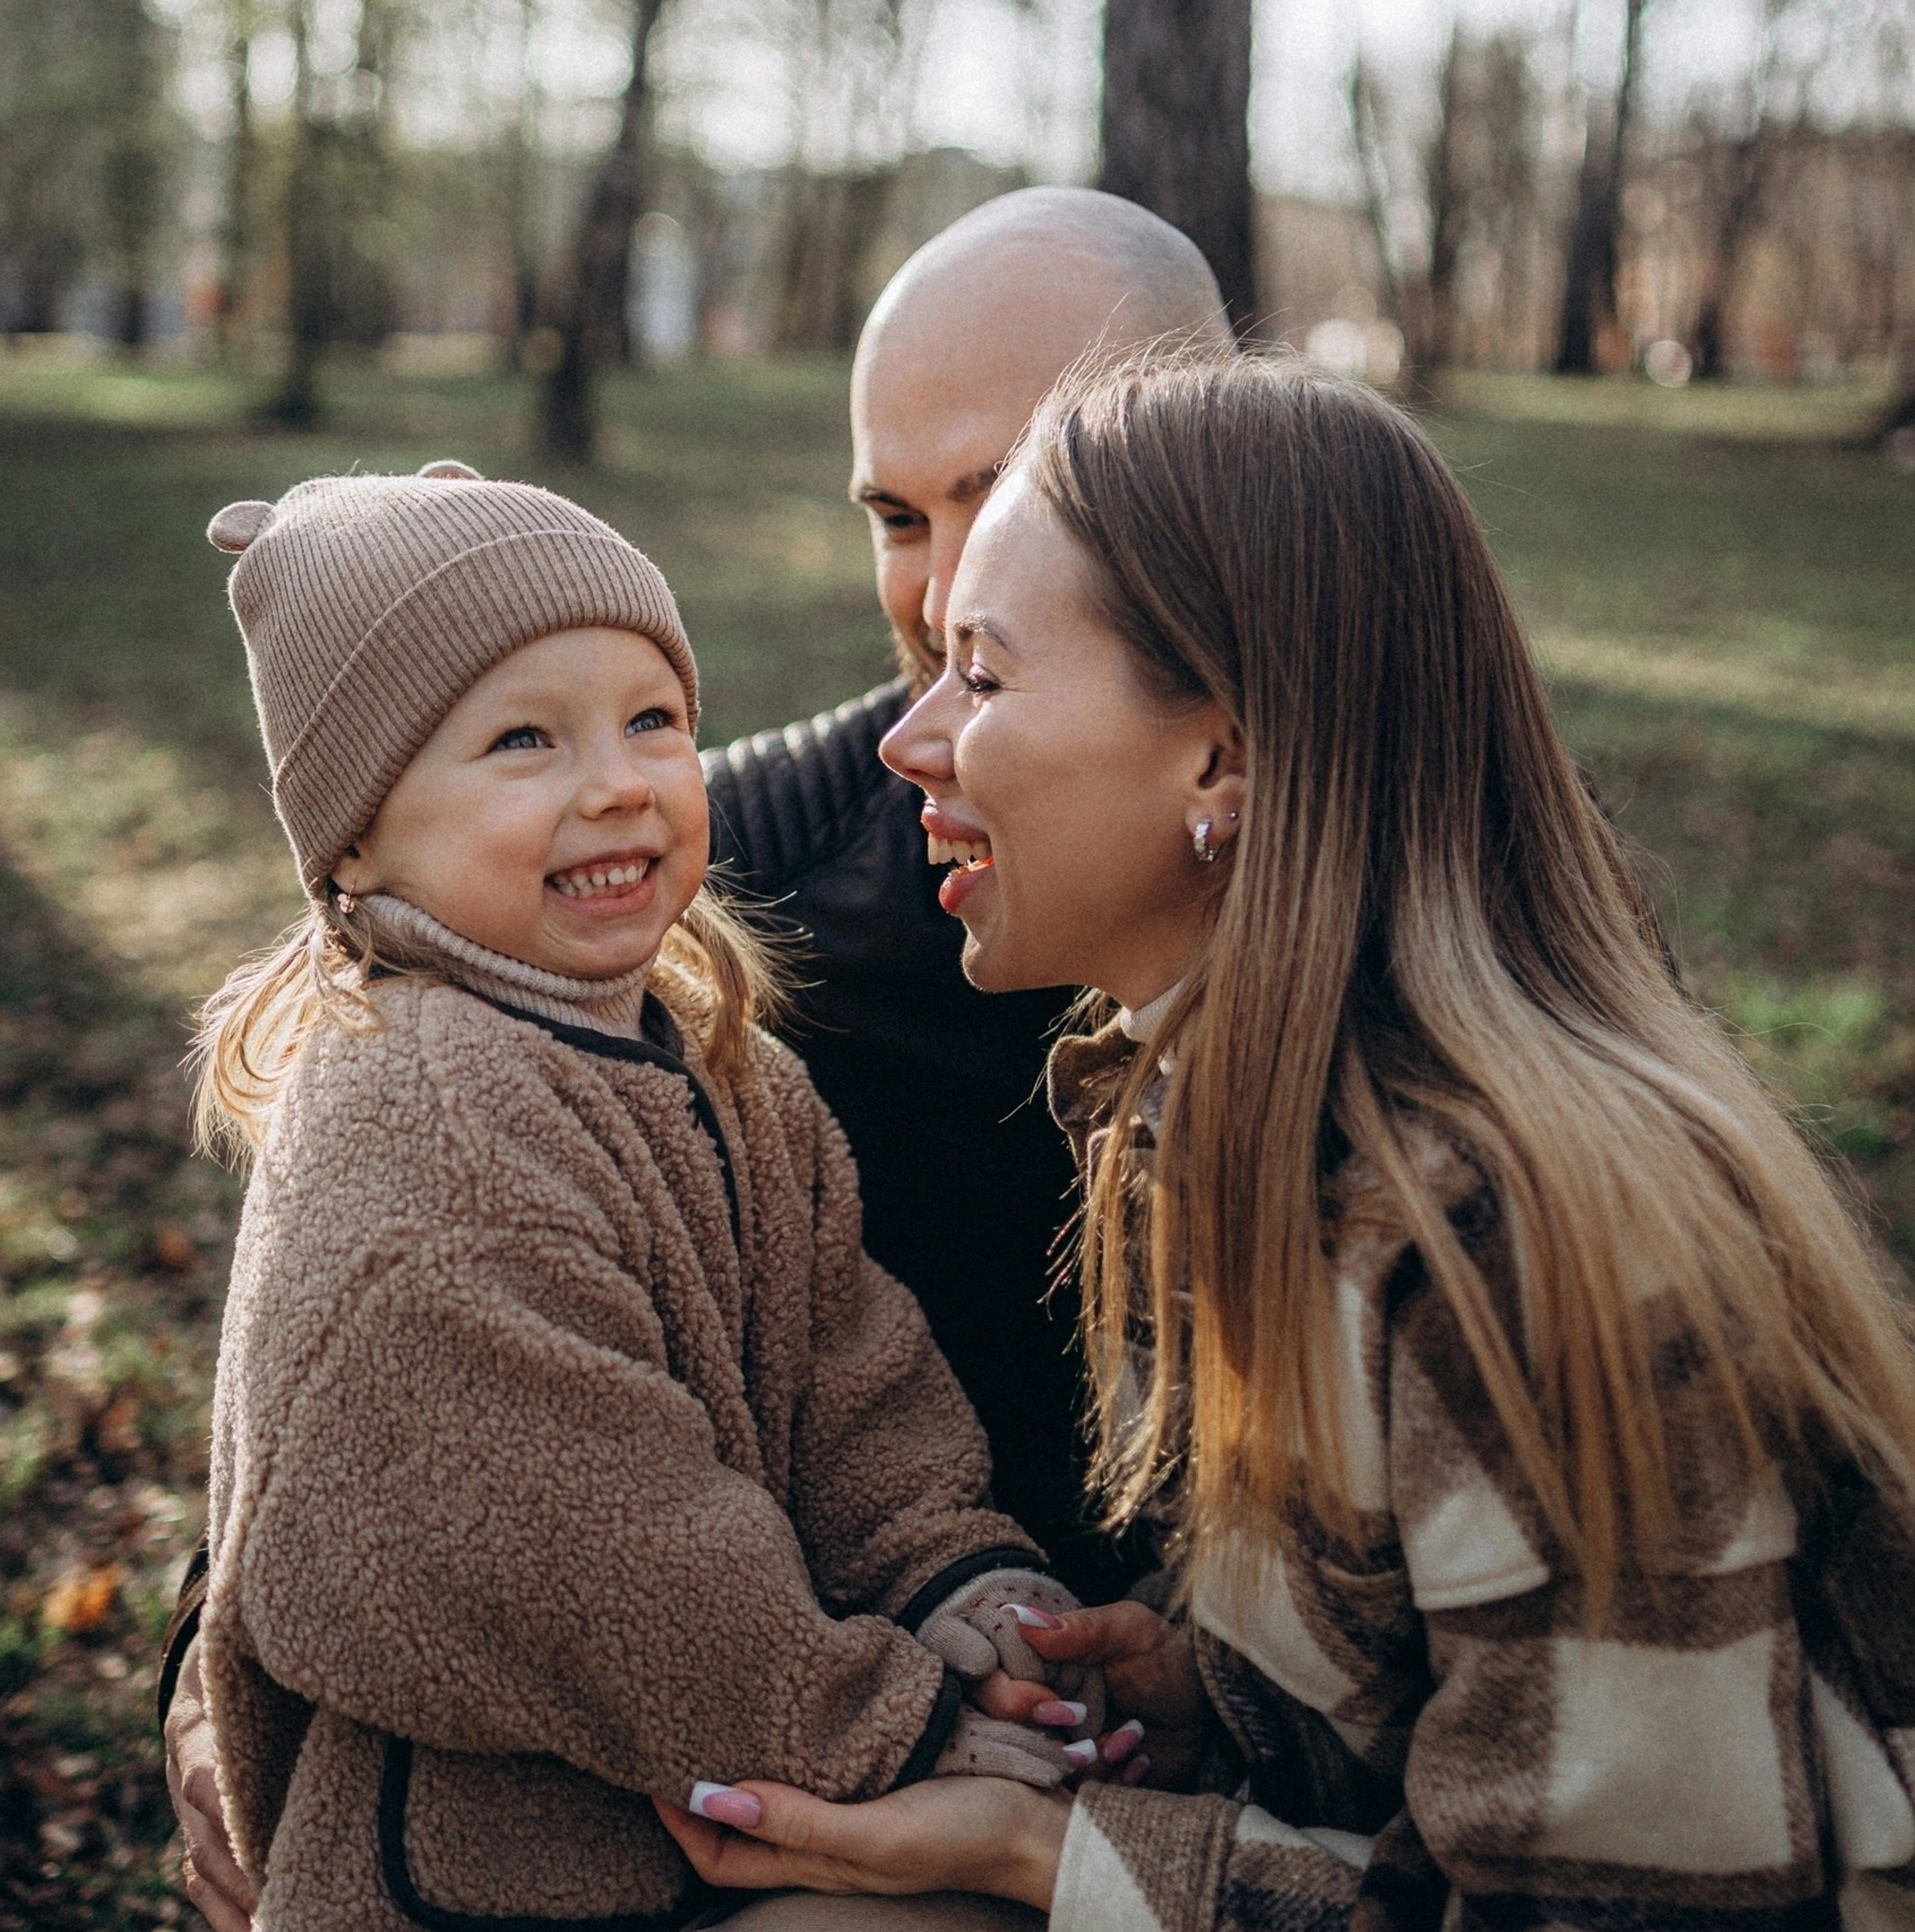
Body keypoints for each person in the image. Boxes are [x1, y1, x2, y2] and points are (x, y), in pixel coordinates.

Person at [656, 351, 1915, 1928]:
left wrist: (1047, 1856)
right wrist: (1221, 1693)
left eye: (981, 677)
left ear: (1222, 758)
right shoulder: (1190, 1105)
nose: (908, 742)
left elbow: (1630, 1905)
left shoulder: (1499, 1239)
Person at [164, 186, 1229, 1932]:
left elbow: (855, 1375)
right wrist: (209, 1675)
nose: (953, 582)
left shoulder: (1431, 944)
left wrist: (966, 1587)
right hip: (673, 1802)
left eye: (1021, 492)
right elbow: (408, 1404)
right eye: (900, 512)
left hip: (1086, 1752)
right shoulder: (717, 888)